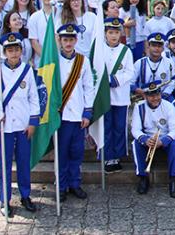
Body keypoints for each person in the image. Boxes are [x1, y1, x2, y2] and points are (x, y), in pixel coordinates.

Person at [0, 32, 40, 216]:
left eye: (16, 49)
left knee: (23, 162)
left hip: (22, 124)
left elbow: (34, 98)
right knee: (5, 164)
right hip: (4, 126)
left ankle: (25, 195)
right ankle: (5, 199)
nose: (13, 53)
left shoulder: (27, 71)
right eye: (10, 50)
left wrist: (33, 122)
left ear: (21, 50)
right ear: (5, 52)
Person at [55, 22, 96, 201]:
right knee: (61, 152)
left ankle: (75, 183)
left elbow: (89, 87)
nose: (68, 43)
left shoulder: (83, 60)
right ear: (60, 40)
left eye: (71, 39)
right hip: (60, 115)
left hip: (78, 114)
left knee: (76, 152)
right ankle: (62, 186)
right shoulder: (53, 60)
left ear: (76, 40)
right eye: (65, 40)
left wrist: (87, 112)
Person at [94, 17, 135, 173]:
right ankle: (106, 155)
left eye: (116, 32)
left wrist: (116, 80)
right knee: (106, 126)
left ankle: (117, 156)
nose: (113, 36)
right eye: (110, 32)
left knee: (119, 127)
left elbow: (130, 72)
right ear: (105, 33)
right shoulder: (99, 50)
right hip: (104, 97)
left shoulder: (126, 51)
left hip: (120, 95)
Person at [131, 81, 175, 197]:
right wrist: (144, 139)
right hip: (149, 138)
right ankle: (143, 178)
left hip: (164, 138)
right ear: (145, 96)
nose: (155, 98)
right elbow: (135, 129)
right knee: (136, 143)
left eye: (157, 94)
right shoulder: (139, 107)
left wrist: (163, 141)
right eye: (151, 95)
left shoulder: (168, 106)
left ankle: (174, 179)